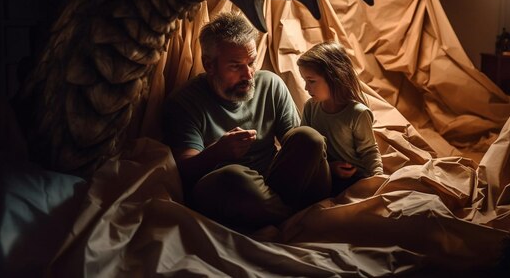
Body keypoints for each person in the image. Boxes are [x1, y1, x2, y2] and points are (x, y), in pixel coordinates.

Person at [163, 12, 331, 231]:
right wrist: (218, 152)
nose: (249, 74)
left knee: (311, 138)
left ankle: (276, 213)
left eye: (251, 62)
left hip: (273, 185)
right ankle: (295, 216)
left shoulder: (270, 85)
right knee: (234, 176)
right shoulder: (184, 102)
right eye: (236, 66)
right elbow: (183, 172)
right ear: (209, 64)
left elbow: (297, 147)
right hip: (225, 191)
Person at [297, 41, 383, 195]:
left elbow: (369, 151)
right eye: (305, 81)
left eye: (311, 81)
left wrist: (378, 179)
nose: (306, 87)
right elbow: (305, 149)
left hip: (354, 178)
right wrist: (329, 167)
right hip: (322, 175)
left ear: (334, 78)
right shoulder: (310, 107)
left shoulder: (358, 113)